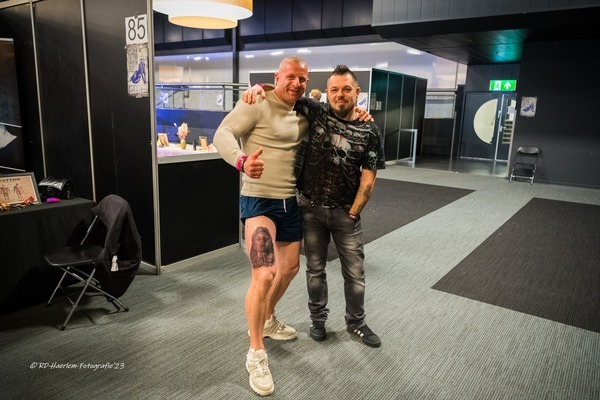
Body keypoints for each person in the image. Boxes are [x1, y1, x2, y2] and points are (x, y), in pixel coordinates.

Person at [245, 65, 386, 348]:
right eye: (334, 89)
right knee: (315, 270)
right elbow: (286, 91)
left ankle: (356, 323)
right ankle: (318, 320)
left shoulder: (370, 129)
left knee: (355, 273)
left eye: (346, 89)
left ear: (357, 92)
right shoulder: (316, 111)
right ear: (328, 93)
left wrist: (354, 211)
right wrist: (259, 87)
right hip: (310, 209)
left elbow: (368, 179)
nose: (340, 94)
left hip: (347, 213)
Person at [213, 56, 310, 397]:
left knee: (290, 268)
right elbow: (222, 133)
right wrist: (241, 161)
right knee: (265, 273)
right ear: (277, 76)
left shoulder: (304, 112)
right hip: (259, 203)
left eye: (302, 78)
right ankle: (256, 352)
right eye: (290, 77)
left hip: (289, 203)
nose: (296, 83)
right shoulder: (255, 102)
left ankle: (267, 319)